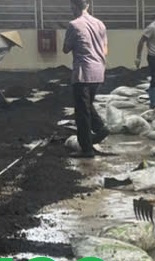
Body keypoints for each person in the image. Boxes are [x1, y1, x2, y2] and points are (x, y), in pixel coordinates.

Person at [62, 0, 109, 158]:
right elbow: (105, 50)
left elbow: (65, 49)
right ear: (87, 5)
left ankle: (87, 149)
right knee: (87, 105)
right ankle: (101, 129)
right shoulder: (100, 24)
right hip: (98, 72)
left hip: (83, 73)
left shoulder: (74, 25)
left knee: (82, 112)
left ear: (73, 6)